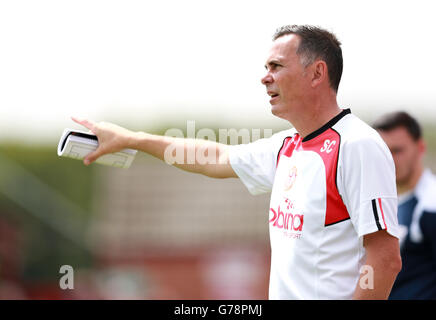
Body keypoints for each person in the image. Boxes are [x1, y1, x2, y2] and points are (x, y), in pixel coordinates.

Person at [71, 25, 401, 299]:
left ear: (317, 73)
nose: (265, 77)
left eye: (276, 66)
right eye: (266, 69)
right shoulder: (288, 146)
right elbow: (214, 157)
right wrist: (132, 139)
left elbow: (384, 259)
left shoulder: (358, 146)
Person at [373, 111, 436, 299]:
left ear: (421, 148)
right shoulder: (377, 201)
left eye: (397, 151)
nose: (390, 160)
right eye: (383, 151)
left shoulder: (430, 205)